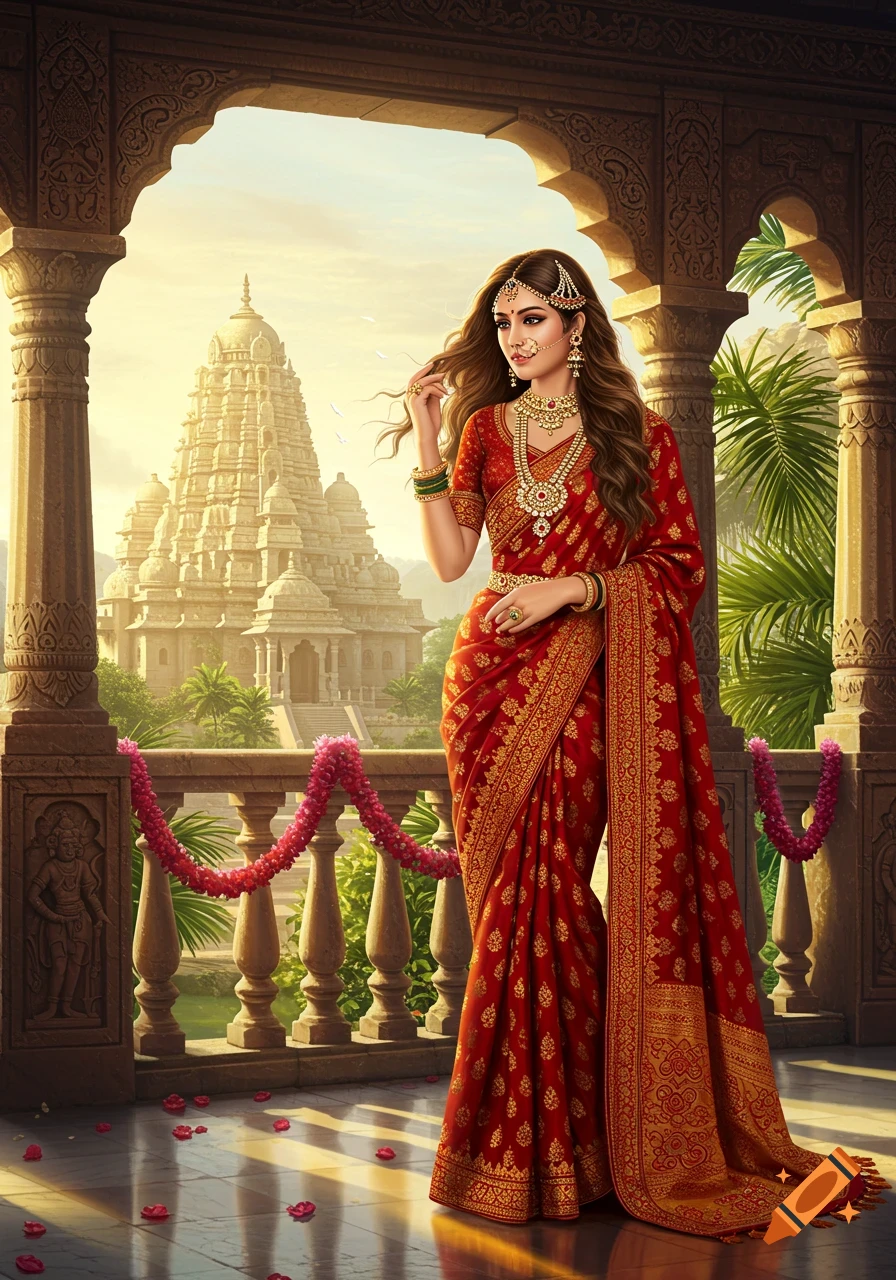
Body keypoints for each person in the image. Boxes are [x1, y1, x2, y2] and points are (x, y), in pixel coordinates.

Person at [377, 247, 869, 1238]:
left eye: (532, 321)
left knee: (549, 895)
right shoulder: (480, 430)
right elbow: (448, 559)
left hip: (590, 679)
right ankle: (534, 1151)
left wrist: (575, 588)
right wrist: (428, 435)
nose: (514, 340)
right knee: (509, 907)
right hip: (486, 682)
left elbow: (676, 564)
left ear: (576, 328)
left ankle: (586, 1144)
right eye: (504, 323)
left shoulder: (637, 437)